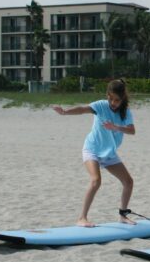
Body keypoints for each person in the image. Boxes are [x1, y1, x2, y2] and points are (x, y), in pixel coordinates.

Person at [51, 79, 136, 226]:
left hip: (109, 153)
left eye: (116, 100)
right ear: (107, 95)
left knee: (128, 182)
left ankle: (123, 215)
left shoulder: (125, 113)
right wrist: (65, 112)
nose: (113, 102)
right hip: (92, 149)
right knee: (96, 180)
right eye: (110, 98)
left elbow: (132, 131)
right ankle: (82, 218)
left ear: (122, 99)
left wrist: (115, 127)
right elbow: (83, 109)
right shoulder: (101, 105)